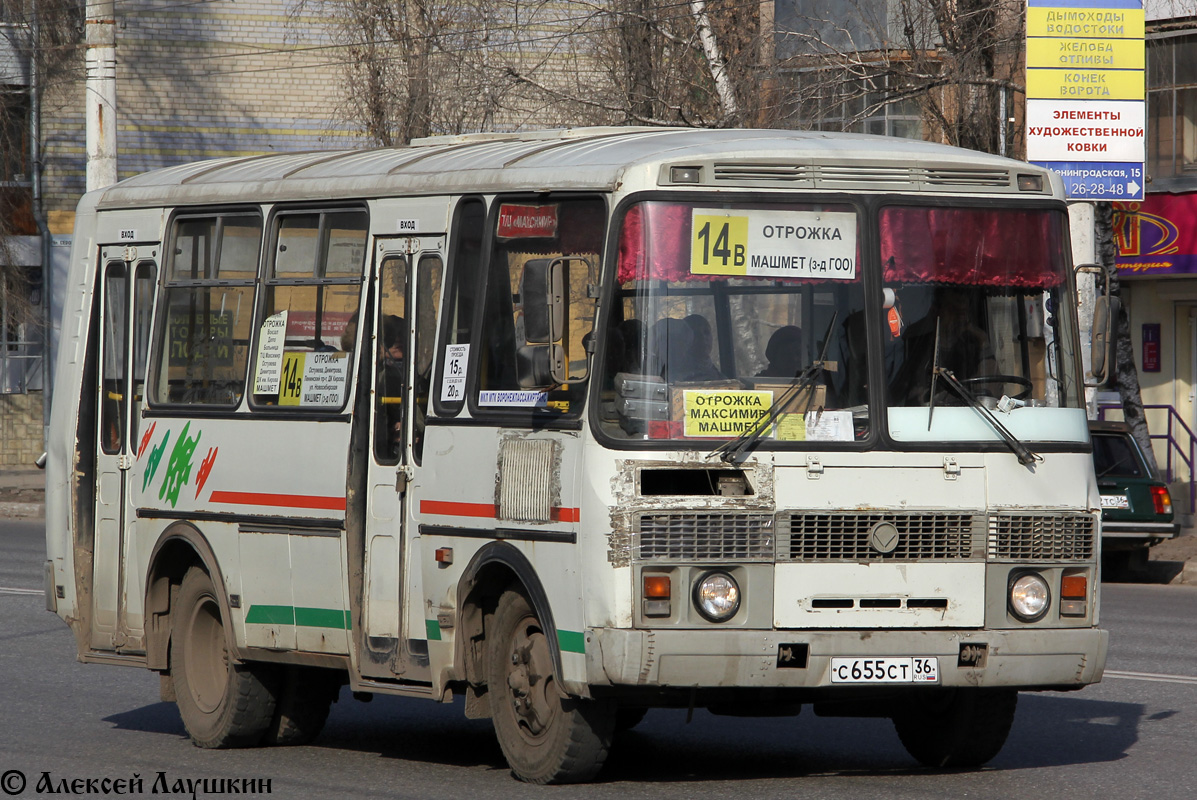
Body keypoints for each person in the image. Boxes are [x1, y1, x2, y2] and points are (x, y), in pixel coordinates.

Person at [377, 314, 407, 458]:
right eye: (394, 336)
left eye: (403, 334)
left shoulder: (411, 372)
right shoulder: (374, 373)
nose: (399, 339)